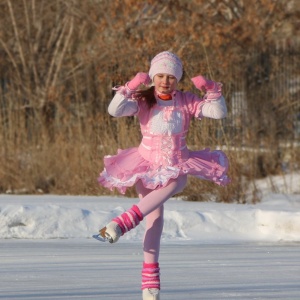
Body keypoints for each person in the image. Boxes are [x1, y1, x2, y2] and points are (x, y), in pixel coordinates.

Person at [97, 51, 230, 300]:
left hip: (179, 161)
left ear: (177, 80)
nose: (165, 81)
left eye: (170, 77)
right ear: (152, 77)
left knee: (179, 179)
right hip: (147, 164)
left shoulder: (186, 100)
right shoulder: (144, 100)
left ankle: (121, 222)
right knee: (154, 219)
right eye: (160, 75)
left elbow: (218, 113)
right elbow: (114, 110)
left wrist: (212, 90)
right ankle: (150, 286)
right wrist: (130, 86)